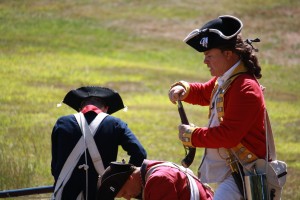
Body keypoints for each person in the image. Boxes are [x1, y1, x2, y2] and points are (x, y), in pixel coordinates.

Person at [168, 15, 266, 199]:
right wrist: (184, 89)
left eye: (209, 55)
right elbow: (206, 92)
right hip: (233, 169)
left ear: (228, 54)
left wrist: (192, 135)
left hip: (247, 171)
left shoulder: (245, 88)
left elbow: (228, 135)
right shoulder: (228, 80)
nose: (205, 61)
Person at [51, 86, 147, 200]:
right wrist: (120, 180)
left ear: (80, 108)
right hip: (101, 193)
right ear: (106, 108)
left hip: (65, 192)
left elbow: (55, 165)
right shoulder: (115, 124)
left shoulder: (63, 122)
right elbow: (139, 153)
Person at [97, 159, 214, 200]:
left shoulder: (157, 181)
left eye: (124, 193)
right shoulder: (152, 170)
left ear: (130, 178)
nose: (128, 198)